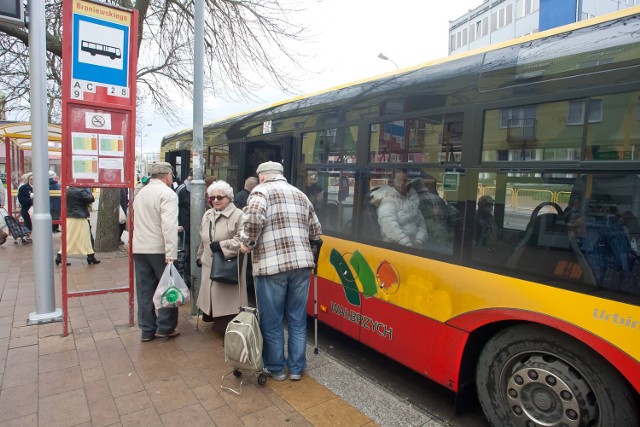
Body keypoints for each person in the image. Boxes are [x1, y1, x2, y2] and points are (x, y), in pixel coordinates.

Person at [239, 161, 322, 381]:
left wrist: (248, 242)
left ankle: (276, 369)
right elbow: (316, 231)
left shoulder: (261, 191)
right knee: (296, 319)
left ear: (262, 177)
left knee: (272, 320)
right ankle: (296, 369)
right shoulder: (300, 194)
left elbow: (253, 218)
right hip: (302, 265)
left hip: (271, 266)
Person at [132, 162, 180, 342]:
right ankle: (165, 328)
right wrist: (171, 253)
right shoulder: (167, 193)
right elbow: (168, 225)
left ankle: (146, 329)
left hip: (140, 247)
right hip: (159, 249)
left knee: (145, 291)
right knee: (169, 288)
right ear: (167, 175)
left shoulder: (141, 193)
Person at [196, 180, 247, 333]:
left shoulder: (239, 215)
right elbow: (203, 238)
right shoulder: (208, 214)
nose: (216, 200)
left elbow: (244, 240)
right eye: (212, 198)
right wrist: (200, 255)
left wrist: (222, 245)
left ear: (229, 198)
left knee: (226, 300)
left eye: (220, 197)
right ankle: (214, 321)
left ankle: (227, 328)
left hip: (228, 264)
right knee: (211, 295)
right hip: (208, 263)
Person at [370, 169, 427, 248]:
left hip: (415, 245)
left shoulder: (412, 199)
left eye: (405, 180)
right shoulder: (387, 200)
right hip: (395, 246)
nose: (403, 183)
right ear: (392, 181)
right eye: (399, 180)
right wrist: (408, 244)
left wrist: (419, 240)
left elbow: (421, 223)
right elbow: (390, 227)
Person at [56, 187, 100, 266]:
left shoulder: (67, 190)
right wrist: (88, 190)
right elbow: (91, 199)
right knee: (86, 237)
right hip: (79, 217)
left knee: (69, 238)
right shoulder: (81, 191)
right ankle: (90, 256)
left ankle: (60, 256)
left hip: (69, 217)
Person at [176, 170, 193, 281]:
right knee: (184, 254)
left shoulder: (198, 189)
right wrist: (177, 224)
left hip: (194, 228)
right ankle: (184, 278)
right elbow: (174, 207)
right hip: (185, 228)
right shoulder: (181, 189)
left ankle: (190, 276)